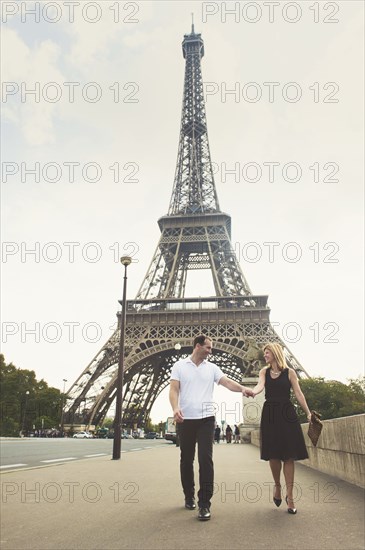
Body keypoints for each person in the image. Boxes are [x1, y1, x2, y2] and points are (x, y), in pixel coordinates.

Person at [169, 334, 254, 521]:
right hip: (185, 420)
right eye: (208, 347)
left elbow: (227, 383)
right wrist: (175, 408)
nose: (211, 350)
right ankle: (189, 495)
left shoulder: (212, 368)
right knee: (186, 460)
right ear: (198, 346)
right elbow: (174, 389)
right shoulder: (179, 366)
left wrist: (242, 389)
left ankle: (204, 503)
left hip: (207, 419)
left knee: (205, 460)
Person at [251, 342, 311, 515]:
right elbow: (260, 385)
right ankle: (277, 486)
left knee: (289, 456)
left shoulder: (290, 373)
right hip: (270, 415)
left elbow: (298, 393)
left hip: (287, 414)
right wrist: (252, 391)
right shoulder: (264, 371)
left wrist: (308, 413)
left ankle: (290, 497)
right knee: (274, 455)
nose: (265, 356)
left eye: (267, 352)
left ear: (275, 352)